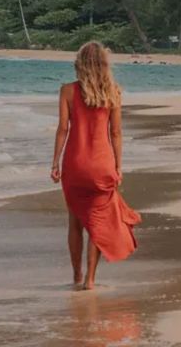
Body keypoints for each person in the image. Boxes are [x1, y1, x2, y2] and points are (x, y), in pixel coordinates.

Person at [51, 42, 141, 290]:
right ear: (104, 64)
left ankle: (76, 275)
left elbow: (62, 130)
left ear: (79, 63)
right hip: (102, 165)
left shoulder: (67, 91)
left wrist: (54, 163)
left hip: (75, 165)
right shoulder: (113, 92)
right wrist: (118, 166)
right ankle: (91, 280)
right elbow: (116, 133)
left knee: (75, 221)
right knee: (97, 222)